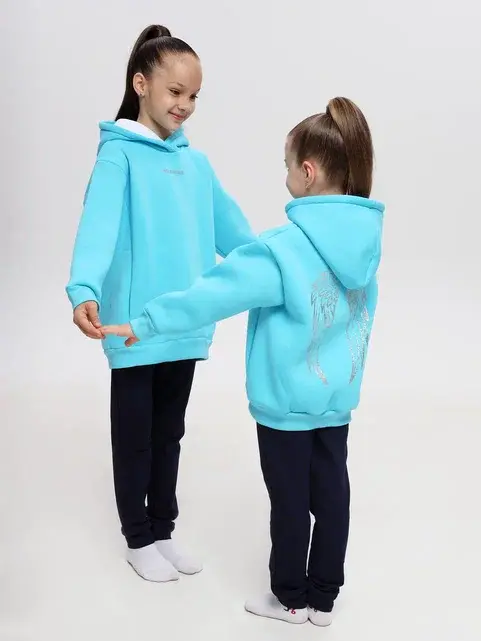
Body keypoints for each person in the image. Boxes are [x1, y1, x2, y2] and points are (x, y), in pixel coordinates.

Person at [102, 96, 385, 625]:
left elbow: (213, 294)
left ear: (307, 172)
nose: (285, 175)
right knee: (332, 496)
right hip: (336, 401)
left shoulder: (283, 251)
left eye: (287, 165)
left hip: (285, 405)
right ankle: (324, 599)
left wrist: (146, 322)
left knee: (290, 501)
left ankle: (289, 598)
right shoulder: (365, 248)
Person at [66, 24, 254, 583]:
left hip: (186, 321)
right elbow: (97, 228)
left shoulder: (196, 165)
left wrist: (276, 269)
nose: (185, 105)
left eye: (193, 95)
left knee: (169, 432)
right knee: (135, 437)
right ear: (141, 84)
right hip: (130, 326)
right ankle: (137, 537)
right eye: (176, 91)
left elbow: (236, 234)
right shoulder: (118, 156)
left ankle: (163, 528)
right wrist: (84, 289)